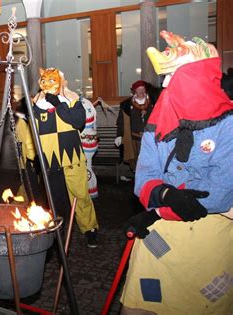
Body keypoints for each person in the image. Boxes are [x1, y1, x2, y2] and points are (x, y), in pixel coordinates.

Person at [121, 31, 233, 314]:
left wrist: (159, 208)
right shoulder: (158, 124)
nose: (166, 85)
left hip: (209, 243)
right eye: (165, 78)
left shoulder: (228, 126)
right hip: (159, 240)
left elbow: (219, 194)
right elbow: (144, 179)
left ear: (198, 77)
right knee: (138, 307)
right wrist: (165, 193)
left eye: (174, 76)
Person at [32, 68, 99, 248]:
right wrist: (33, 156)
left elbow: (77, 121)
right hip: (50, 160)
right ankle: (57, 232)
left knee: (81, 196)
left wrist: (57, 102)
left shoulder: (74, 100)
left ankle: (89, 229)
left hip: (72, 158)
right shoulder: (36, 103)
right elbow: (30, 130)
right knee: (54, 200)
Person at [115, 80, 160, 173]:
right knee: (136, 159)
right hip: (134, 138)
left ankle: (150, 179)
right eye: (138, 90)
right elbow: (121, 121)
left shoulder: (154, 101)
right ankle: (139, 179)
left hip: (150, 137)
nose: (141, 92)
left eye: (143, 90)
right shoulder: (126, 104)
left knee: (151, 158)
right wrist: (119, 135)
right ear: (134, 91)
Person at [14, 97, 46, 207]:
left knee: (28, 184)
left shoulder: (19, 119)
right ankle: (35, 207)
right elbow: (26, 142)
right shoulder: (22, 122)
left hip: (25, 159)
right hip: (27, 159)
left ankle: (24, 204)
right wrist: (32, 159)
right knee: (32, 187)